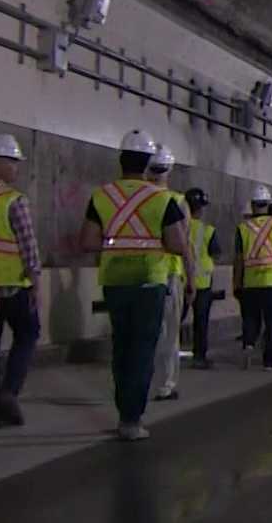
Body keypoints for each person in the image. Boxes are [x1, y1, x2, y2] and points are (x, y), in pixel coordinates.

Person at [80, 129, 193, 441]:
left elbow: (88, 241)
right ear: (148, 164)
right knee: (143, 350)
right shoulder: (162, 199)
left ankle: (122, 408)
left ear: (121, 160)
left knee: (121, 347)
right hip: (150, 282)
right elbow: (178, 244)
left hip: (114, 281)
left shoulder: (102, 196)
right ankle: (132, 419)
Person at [0, 134, 42, 426]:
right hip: (13, 286)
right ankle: (9, 392)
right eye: (12, 161)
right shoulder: (13, 200)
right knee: (28, 334)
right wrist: (36, 279)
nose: (16, 168)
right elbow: (27, 243)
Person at [234, 189, 272, 369]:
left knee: (251, 318)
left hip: (250, 282)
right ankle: (268, 361)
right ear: (268, 204)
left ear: (252, 205)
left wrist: (236, 282)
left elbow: (238, 260)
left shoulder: (242, 228)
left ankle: (248, 344)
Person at [146, 145, 188, 402]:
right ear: (169, 169)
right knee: (169, 334)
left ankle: (137, 381)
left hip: (135, 272)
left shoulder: (133, 198)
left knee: (142, 333)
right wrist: (192, 279)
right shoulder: (176, 201)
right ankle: (165, 384)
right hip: (169, 274)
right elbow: (185, 246)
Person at [183, 188, 220, 370]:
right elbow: (216, 253)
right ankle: (199, 357)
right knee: (201, 323)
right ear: (201, 208)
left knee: (172, 323)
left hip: (178, 280)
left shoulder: (178, 226)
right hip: (202, 283)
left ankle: (163, 357)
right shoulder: (207, 230)